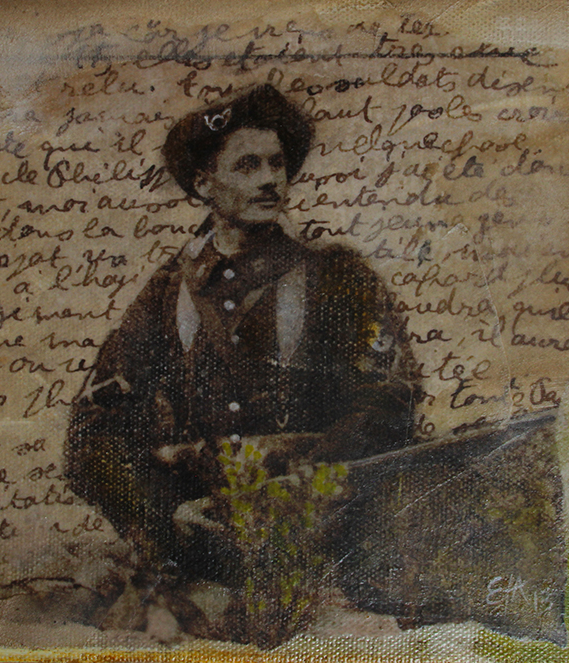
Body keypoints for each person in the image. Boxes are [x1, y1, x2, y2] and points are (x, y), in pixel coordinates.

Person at [65, 84, 420, 638]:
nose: (270, 180)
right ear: (204, 184)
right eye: (247, 165)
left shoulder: (336, 275)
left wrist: (301, 479)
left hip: (327, 550)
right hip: (203, 559)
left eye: (277, 164)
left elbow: (388, 401)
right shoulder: (168, 293)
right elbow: (94, 428)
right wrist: (161, 519)